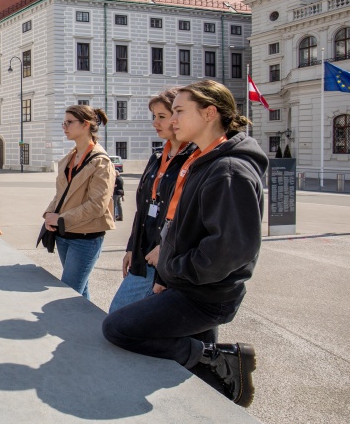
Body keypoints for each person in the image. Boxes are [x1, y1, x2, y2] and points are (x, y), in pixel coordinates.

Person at [102, 80, 268, 408]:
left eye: (179, 111)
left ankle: (220, 360)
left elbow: (232, 249)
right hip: (191, 285)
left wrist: (174, 271)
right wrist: (167, 275)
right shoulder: (205, 160)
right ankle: (221, 376)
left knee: (119, 327)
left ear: (209, 113)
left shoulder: (229, 170)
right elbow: (180, 226)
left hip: (204, 294)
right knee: (200, 380)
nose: (171, 119)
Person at [108, 88, 194, 313]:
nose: (155, 122)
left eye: (162, 117)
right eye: (154, 116)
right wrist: (131, 248)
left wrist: (167, 250)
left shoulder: (194, 159)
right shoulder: (157, 157)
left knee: (119, 315)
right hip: (143, 252)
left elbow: (190, 216)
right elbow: (142, 210)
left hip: (164, 257)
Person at [43, 104, 115, 299]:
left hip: (86, 237)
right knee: (79, 291)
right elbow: (61, 194)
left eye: (69, 122)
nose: (64, 127)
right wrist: (49, 214)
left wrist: (61, 218)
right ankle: (87, 327)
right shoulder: (70, 157)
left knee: (68, 292)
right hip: (64, 233)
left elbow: (97, 205)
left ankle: (71, 329)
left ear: (85, 125)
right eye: (63, 123)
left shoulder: (101, 161)